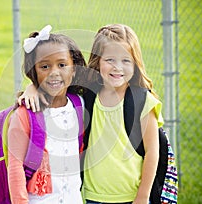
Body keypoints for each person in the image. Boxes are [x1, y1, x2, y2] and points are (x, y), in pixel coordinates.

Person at [19, 24, 164, 204]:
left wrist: (142, 196)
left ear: (135, 63)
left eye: (126, 61)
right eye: (110, 59)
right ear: (98, 61)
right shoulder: (87, 96)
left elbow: (152, 152)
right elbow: (59, 83)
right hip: (92, 196)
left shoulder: (142, 101)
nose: (117, 67)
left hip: (131, 197)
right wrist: (32, 87)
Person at [7, 25, 87, 204]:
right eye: (45, 66)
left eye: (62, 65)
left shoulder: (80, 105)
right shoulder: (24, 115)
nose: (54, 73)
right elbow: (15, 167)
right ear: (34, 72)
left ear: (74, 70)